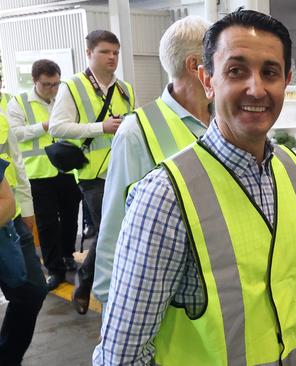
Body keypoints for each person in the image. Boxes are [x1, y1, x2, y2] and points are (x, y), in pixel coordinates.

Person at [93, 10, 296, 365]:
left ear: (286, 81)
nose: (256, 88)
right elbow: (124, 351)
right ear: (207, 79)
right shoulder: (164, 196)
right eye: (236, 71)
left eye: (270, 73)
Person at [92, 16, 212, 306]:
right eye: (221, 56)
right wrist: (111, 299)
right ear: (195, 65)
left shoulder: (225, 120)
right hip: (166, 294)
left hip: (217, 284)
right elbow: (116, 221)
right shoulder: (137, 132)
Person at [50, 29, 135, 314]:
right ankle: (89, 283)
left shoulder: (124, 88)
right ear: (89, 53)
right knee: (110, 230)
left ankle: (110, 282)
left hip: (124, 169)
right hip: (92, 175)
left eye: (115, 52)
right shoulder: (72, 86)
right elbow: (58, 126)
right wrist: (100, 127)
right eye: (105, 52)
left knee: (122, 229)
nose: (112, 58)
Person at [7, 59, 82, 291]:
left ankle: (68, 255)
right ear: (35, 81)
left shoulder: (64, 97)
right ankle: (55, 269)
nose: (53, 89)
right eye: (47, 85)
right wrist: (44, 126)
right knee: (48, 224)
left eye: (57, 83)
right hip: (38, 174)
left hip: (66, 169)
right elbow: (15, 134)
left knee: (71, 215)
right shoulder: (19, 103)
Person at [0, 115, 47, 366]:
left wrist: (26, 208)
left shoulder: (0, 118)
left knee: (32, 291)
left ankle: (8, 358)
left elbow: (15, 161)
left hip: (11, 220)